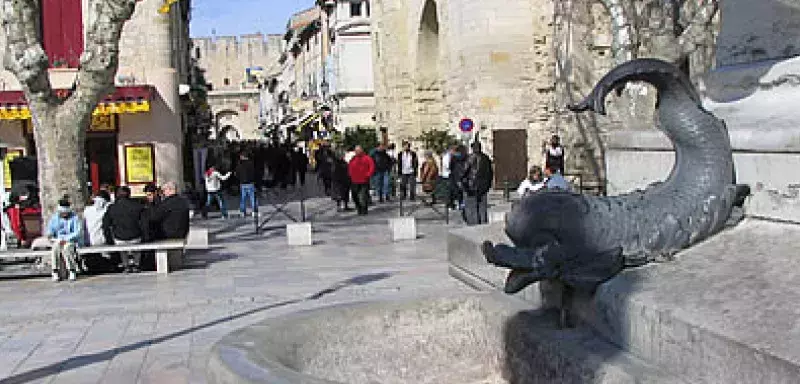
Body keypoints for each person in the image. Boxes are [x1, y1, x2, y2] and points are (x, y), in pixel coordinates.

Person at [103, 186, 145, 273]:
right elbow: (144, 223)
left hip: (119, 237)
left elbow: (106, 224)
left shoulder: (112, 207)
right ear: (129, 194)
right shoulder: (137, 206)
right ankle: (136, 264)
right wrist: (145, 236)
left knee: (122, 250)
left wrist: (109, 239)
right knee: (137, 248)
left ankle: (126, 265)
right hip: (135, 236)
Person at [46, 197, 83, 282]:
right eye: (61, 213)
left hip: (71, 240)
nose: (63, 215)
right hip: (58, 240)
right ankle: (55, 270)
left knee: (67, 248)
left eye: (65, 213)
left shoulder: (74, 218)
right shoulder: (55, 218)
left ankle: (72, 270)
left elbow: (77, 232)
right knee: (55, 248)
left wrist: (66, 239)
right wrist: (50, 235)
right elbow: (50, 230)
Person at [461, 141, 494, 225]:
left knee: (472, 207)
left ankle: (474, 224)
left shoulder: (470, 158)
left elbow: (464, 172)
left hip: (471, 187)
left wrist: (463, 182)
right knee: (482, 207)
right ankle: (483, 223)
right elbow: (490, 173)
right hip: (483, 187)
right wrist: (488, 184)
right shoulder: (486, 158)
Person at [348, 146, 375, 215]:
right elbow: (350, 167)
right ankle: (358, 207)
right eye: (356, 150)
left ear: (361, 150)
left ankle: (364, 209)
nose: (357, 152)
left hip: (364, 180)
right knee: (355, 196)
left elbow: (372, 167)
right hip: (354, 180)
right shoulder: (353, 158)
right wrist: (350, 175)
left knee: (363, 195)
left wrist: (368, 174)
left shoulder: (367, 158)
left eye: (358, 150)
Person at [236, 152, 258, 216]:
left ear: (242, 156)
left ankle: (242, 212)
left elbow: (237, 173)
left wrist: (239, 179)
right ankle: (254, 211)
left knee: (243, 198)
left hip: (242, 183)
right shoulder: (251, 164)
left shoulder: (239, 164)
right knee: (252, 198)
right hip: (250, 183)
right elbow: (254, 173)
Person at [449, 145, 468, 209]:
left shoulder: (453, 157)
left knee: (455, 190)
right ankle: (462, 203)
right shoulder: (467, 157)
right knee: (463, 190)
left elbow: (450, 167)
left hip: (455, 175)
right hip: (464, 174)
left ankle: (455, 204)